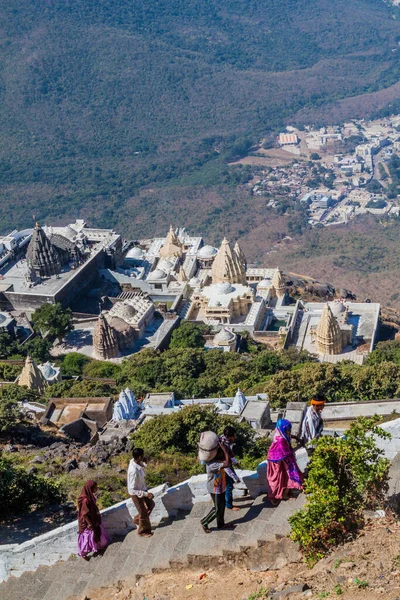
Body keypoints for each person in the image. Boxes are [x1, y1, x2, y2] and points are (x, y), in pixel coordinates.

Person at [200, 442, 235, 533]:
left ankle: (221, 524)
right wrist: (224, 450)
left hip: (220, 486)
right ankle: (204, 522)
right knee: (217, 509)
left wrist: (225, 448)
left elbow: (231, 457)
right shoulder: (213, 464)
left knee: (221, 506)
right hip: (214, 489)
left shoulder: (217, 461)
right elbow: (228, 463)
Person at [267, 419, 303, 505]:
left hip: (280, 460)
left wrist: (295, 437)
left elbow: (288, 437)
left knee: (285, 477)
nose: (289, 432)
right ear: (284, 429)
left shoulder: (280, 433)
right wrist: (298, 447)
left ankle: (285, 494)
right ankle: (276, 496)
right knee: (279, 479)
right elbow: (287, 452)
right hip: (277, 462)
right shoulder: (281, 440)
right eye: (288, 430)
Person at [77, 480, 110, 559]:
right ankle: (82, 553)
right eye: (95, 487)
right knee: (87, 537)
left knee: (98, 533)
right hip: (88, 521)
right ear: (91, 488)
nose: (97, 488)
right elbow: (84, 513)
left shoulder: (89, 496)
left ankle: (99, 546)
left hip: (93, 518)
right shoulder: (85, 500)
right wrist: (89, 524)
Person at [127, 447, 155, 538]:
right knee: (143, 512)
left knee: (151, 505)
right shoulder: (133, 471)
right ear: (139, 457)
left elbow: (141, 469)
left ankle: (137, 520)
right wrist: (146, 494)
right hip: (136, 493)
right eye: (142, 456)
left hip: (142, 489)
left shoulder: (134, 461)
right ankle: (143, 531)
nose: (144, 457)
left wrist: (145, 463)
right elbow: (132, 489)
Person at [220, 425, 240, 512]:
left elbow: (231, 455)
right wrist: (235, 477)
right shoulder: (225, 445)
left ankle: (226, 501)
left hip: (223, 466)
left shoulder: (222, 439)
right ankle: (229, 505)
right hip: (225, 468)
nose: (235, 437)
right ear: (229, 436)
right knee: (229, 486)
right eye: (234, 436)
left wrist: (235, 463)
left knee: (227, 485)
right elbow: (227, 466)